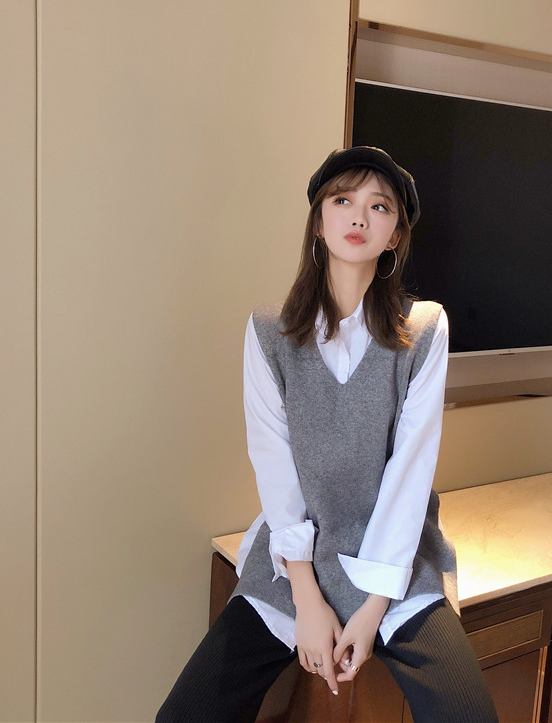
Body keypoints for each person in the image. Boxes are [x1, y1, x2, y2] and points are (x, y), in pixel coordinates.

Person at [156, 147, 498, 723]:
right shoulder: (269, 332)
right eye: (342, 200)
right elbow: (274, 466)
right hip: (297, 556)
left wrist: (372, 609)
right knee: (185, 715)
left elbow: (409, 476)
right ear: (319, 222)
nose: (359, 216)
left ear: (395, 236)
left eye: (379, 207)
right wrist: (308, 601)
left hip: (391, 556)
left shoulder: (423, 329)